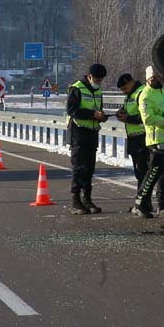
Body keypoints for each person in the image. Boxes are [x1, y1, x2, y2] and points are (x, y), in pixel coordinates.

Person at [131, 67, 164, 218]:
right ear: (148, 79)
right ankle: (140, 202)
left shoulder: (161, 92)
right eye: (153, 78)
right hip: (156, 139)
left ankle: (163, 203)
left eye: (157, 77)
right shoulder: (146, 95)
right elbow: (148, 118)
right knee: (154, 172)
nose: (156, 80)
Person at [66, 63, 108, 214]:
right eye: (97, 79)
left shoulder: (98, 90)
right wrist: (92, 114)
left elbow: (98, 109)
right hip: (78, 133)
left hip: (92, 132)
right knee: (79, 168)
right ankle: (75, 201)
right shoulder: (77, 88)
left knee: (89, 169)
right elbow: (71, 110)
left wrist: (101, 116)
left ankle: (87, 199)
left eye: (100, 80)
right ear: (89, 76)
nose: (99, 82)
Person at [114, 73, 148, 189]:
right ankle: (141, 203)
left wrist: (128, 118)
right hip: (133, 140)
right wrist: (121, 111)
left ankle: (142, 204)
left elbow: (146, 117)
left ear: (130, 82)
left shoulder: (142, 92)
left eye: (124, 88)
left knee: (143, 174)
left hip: (143, 139)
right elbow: (131, 109)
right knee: (139, 175)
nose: (123, 92)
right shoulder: (130, 94)